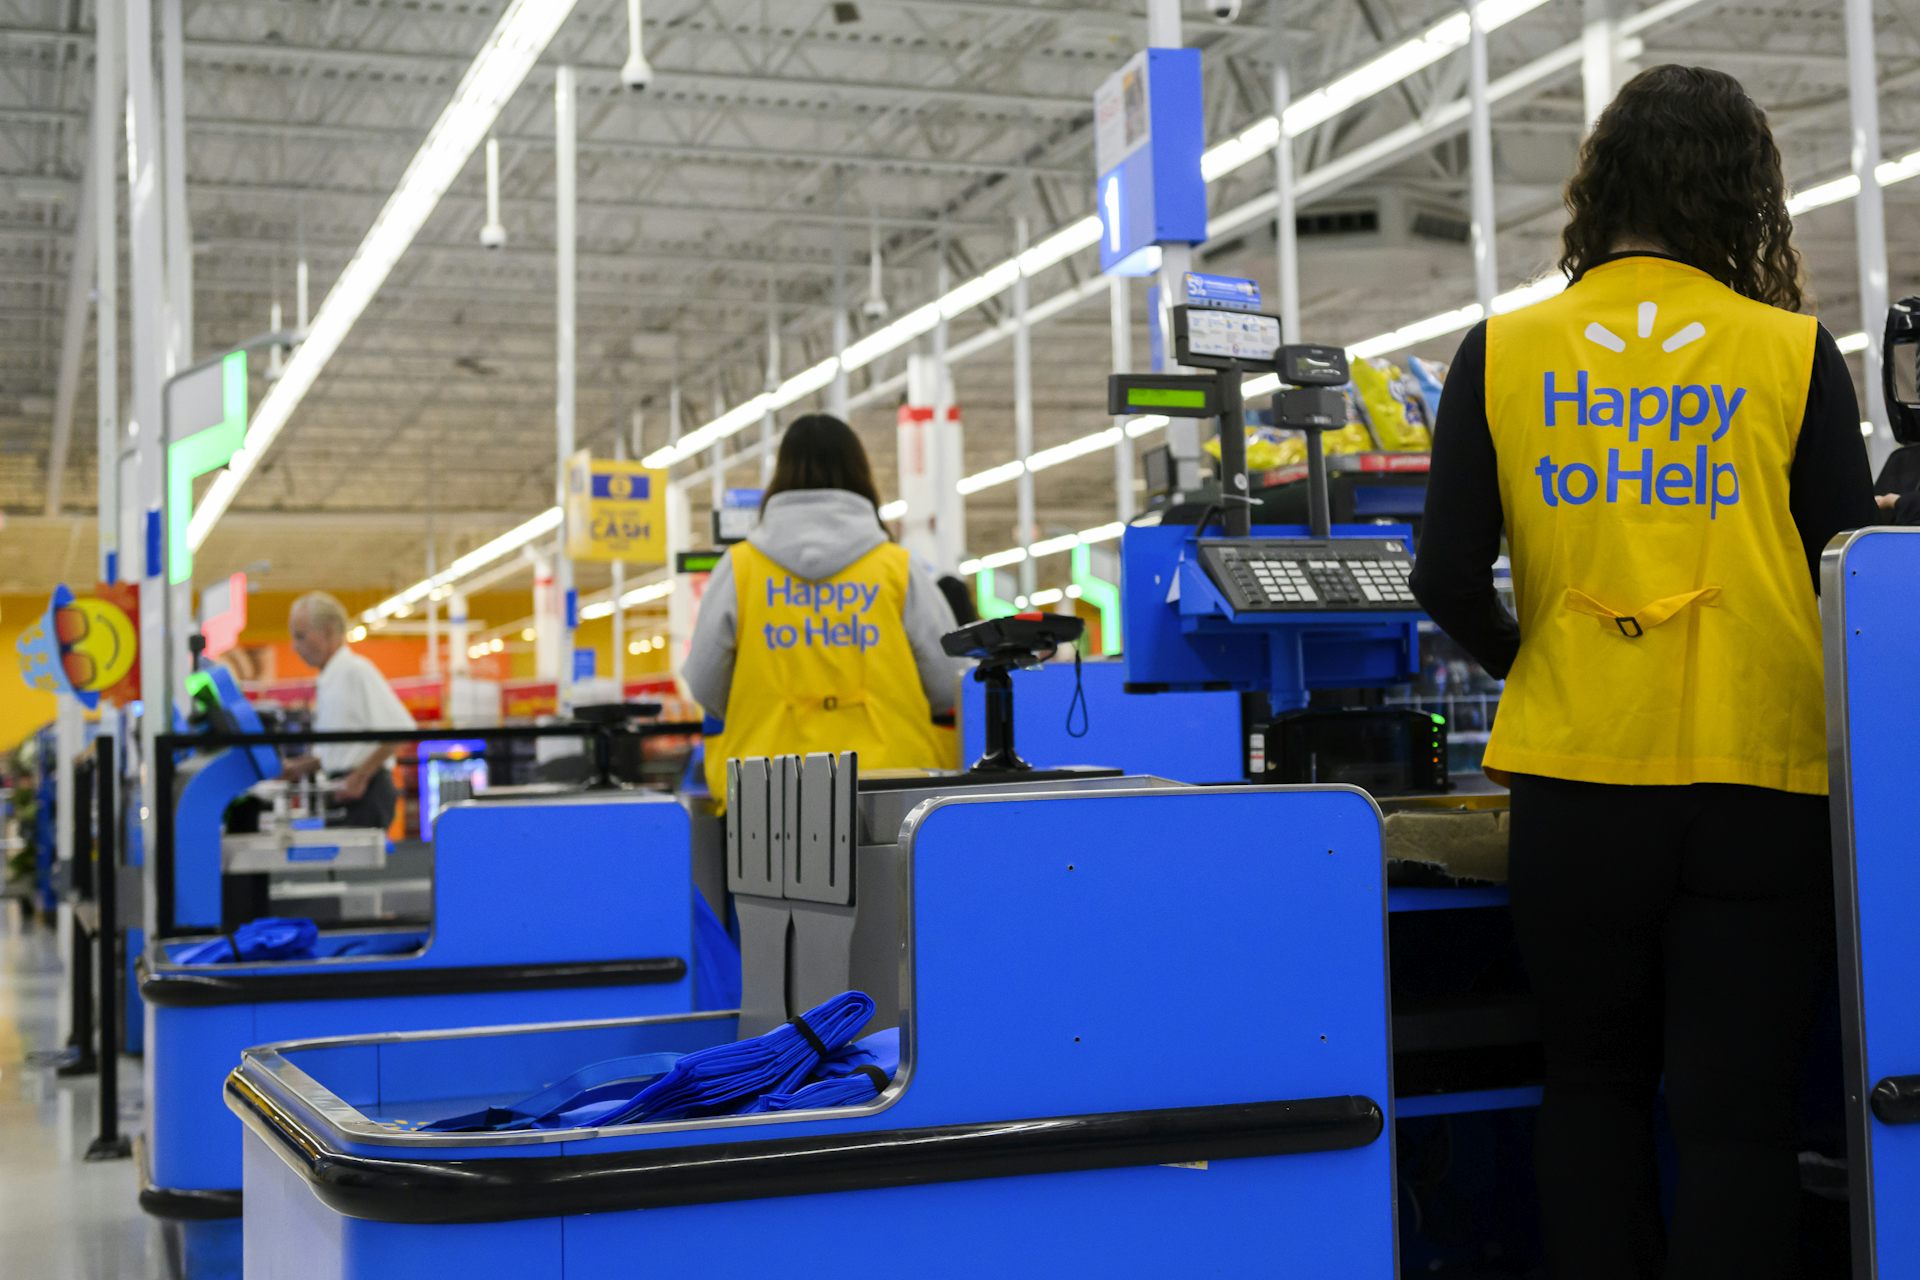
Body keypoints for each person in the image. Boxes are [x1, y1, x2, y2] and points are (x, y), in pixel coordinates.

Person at [1408, 66, 1876, 1280]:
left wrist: (1540, 662)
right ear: (1743, 194)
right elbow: (1856, 575)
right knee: (1739, 1117)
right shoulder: (1792, 353)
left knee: (1593, 1086)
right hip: (1761, 783)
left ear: (1600, 187)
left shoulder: (1502, 352)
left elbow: (1443, 573)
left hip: (1578, 785)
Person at [684, 413, 960, 798]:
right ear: (860, 472)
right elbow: (949, 684)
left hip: (766, 791)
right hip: (891, 787)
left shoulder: (738, 569)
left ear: (781, 474)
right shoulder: (899, 569)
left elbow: (704, 684)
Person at [281, 591, 414, 830]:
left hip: (365, 793)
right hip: (344, 789)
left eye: (300, 636)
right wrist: (299, 767)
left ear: (329, 631)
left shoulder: (355, 671)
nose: (295, 647)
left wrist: (360, 777)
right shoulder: (329, 679)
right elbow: (341, 751)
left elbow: (401, 730)